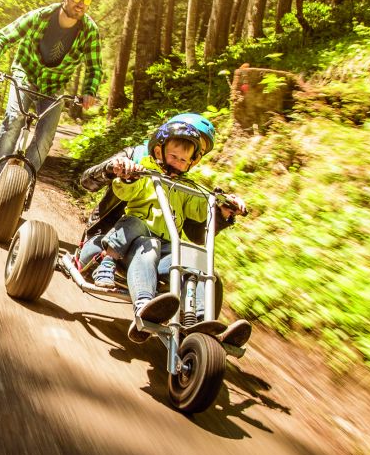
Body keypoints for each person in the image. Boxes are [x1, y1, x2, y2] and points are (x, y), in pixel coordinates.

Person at [76, 114, 249, 345]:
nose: (180, 162)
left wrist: (224, 208)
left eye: (186, 158)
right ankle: (142, 303)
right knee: (147, 240)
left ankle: (199, 322)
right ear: (159, 149)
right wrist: (124, 173)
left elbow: (201, 213)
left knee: (195, 263)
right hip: (114, 240)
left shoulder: (185, 186)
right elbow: (118, 188)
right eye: (174, 155)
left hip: (164, 249)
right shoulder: (141, 165)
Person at [0, 0, 103, 196]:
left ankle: (22, 185)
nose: (81, 4)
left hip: (54, 85)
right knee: (14, 119)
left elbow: (94, 67)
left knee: (46, 135)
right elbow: (3, 36)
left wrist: (89, 91)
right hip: (25, 74)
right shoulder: (39, 17)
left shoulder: (89, 31)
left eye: (87, 0)